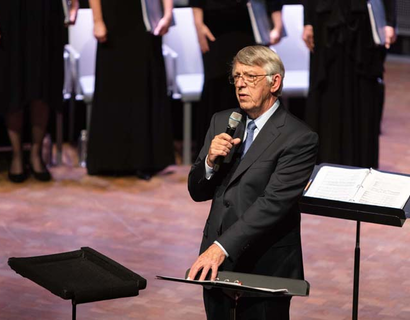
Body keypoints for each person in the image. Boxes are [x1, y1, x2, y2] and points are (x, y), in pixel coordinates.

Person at [187, 46, 318, 320]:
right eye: (236, 77)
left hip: (264, 265)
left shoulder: (298, 138)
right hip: (215, 265)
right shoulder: (223, 121)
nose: (241, 84)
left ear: (275, 82)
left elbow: (272, 204)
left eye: (250, 76)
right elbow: (197, 191)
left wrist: (220, 248)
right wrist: (210, 162)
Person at [0, 0, 79, 182]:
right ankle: (17, 155)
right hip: (8, 14)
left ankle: (36, 154)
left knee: (43, 83)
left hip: (46, 12)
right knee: (12, 84)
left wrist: (73, 3)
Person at [302, 0, 397, 169]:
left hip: (364, 24)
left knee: (364, 94)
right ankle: (324, 164)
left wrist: (390, 21)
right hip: (325, 21)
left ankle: (362, 164)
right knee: (327, 94)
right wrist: (308, 21)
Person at [86, 0, 175, 180]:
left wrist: (168, 13)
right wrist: (97, 20)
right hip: (114, 21)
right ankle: (110, 160)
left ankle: (144, 161)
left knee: (143, 89)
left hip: (145, 19)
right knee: (113, 89)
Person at [189, 0, 284, 157]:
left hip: (249, 27)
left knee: (252, 86)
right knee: (218, 87)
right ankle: (213, 154)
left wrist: (277, 25)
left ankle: (252, 152)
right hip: (216, 30)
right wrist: (198, 25)